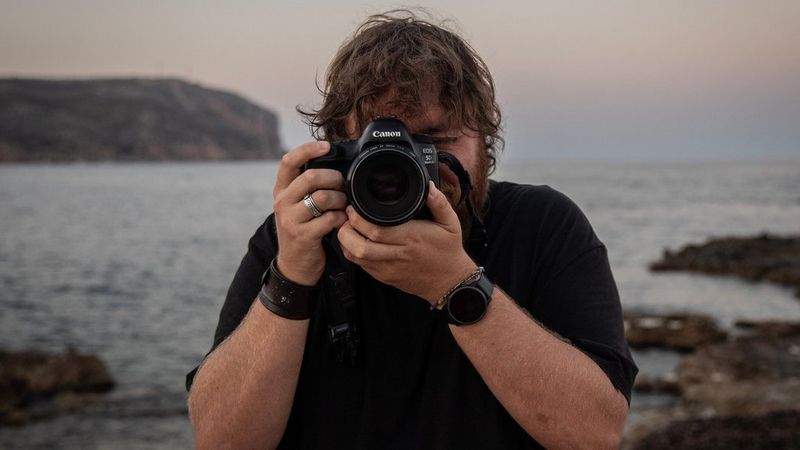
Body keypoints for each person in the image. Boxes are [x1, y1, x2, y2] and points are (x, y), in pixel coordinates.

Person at [186, 10, 637, 450]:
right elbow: (220, 440)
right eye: (376, 148)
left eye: (436, 143)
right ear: (335, 152)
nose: (405, 169)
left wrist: (456, 284)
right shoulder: (297, 239)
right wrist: (292, 275)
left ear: (485, 142)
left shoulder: (542, 225)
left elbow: (594, 435)